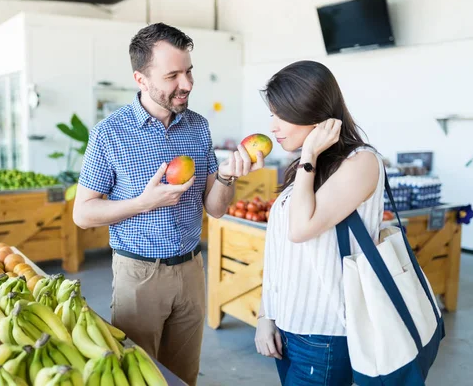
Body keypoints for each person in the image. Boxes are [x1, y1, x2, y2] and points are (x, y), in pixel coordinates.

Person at [73, 22, 265, 385]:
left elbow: (217, 208)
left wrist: (226, 176)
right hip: (139, 274)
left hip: (192, 270)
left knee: (183, 376)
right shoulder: (109, 133)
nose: (188, 84)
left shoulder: (198, 126)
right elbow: (82, 213)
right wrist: (143, 203)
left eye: (189, 71)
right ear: (141, 79)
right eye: (173, 75)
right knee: (140, 378)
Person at [254, 60, 384, 385]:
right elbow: (281, 250)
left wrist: (309, 155)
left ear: (315, 114)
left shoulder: (361, 162)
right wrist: (266, 315)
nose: (273, 125)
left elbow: (301, 229)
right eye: (272, 114)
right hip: (288, 323)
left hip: (325, 333)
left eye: (281, 115)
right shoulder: (305, 165)